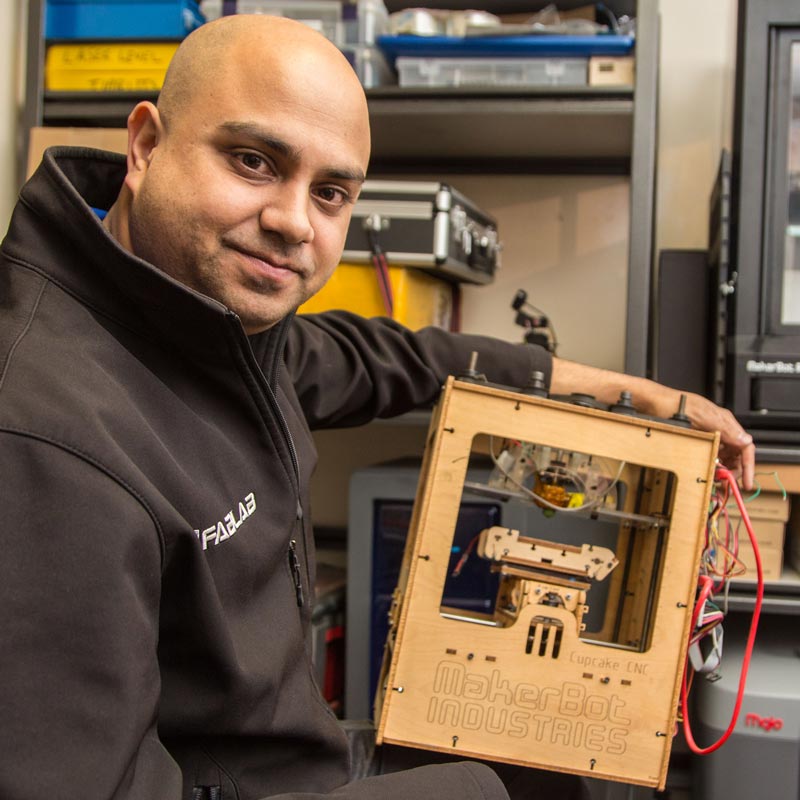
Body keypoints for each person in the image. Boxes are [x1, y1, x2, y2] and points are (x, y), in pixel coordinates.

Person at [0, 14, 754, 800]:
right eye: (253, 161)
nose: (294, 221)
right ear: (147, 145)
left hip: (289, 754)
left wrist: (621, 392)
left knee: (574, 758)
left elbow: (384, 360)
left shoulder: (201, 324)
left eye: (330, 193)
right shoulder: (44, 438)